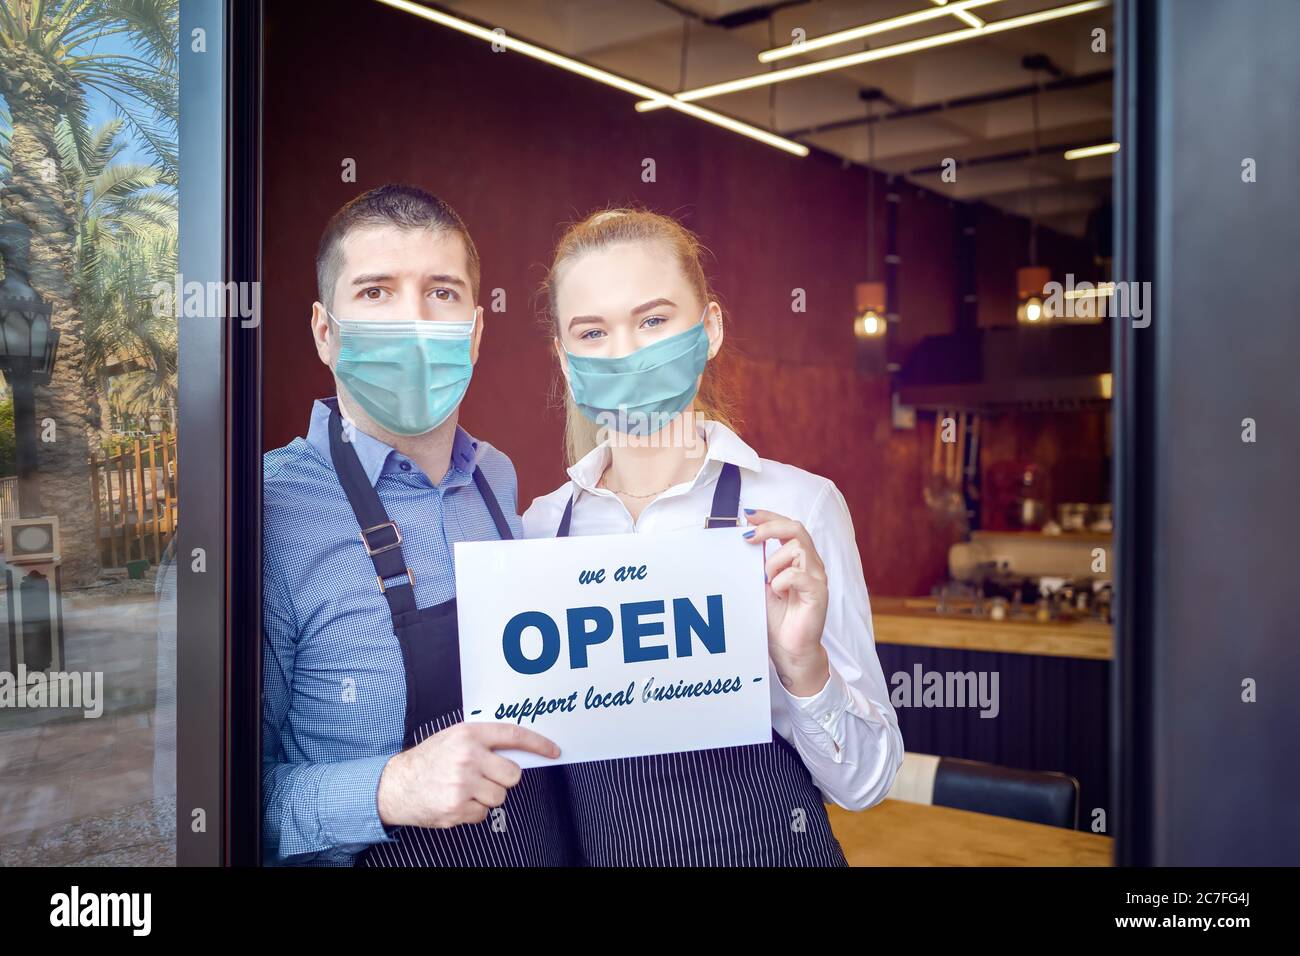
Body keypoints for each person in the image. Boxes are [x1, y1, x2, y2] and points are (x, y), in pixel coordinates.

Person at [523, 208, 904, 866]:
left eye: (653, 320)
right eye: (592, 331)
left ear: (710, 329)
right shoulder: (537, 531)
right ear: (563, 357)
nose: (628, 354)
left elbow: (867, 786)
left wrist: (802, 664)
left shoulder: (796, 508)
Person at [262, 184, 574, 866]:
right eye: (376, 292)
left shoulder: (496, 478)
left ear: (476, 329)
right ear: (325, 332)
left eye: (441, 292)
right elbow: (201, 809)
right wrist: (388, 789)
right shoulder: (265, 517)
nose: (412, 320)